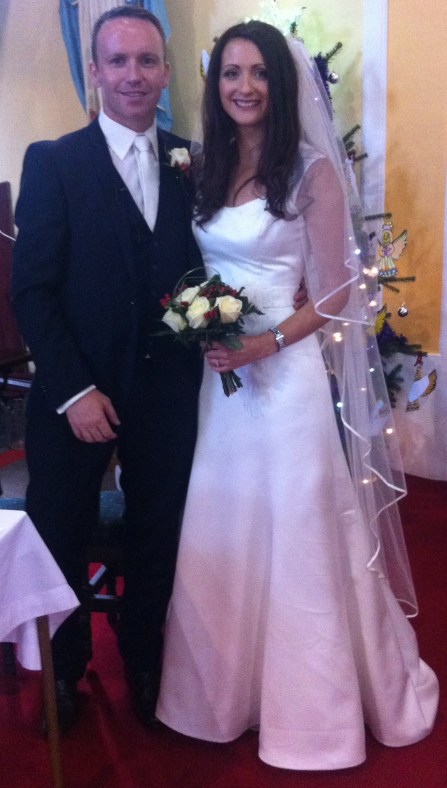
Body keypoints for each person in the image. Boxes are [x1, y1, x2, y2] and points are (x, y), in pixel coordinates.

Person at [156, 21, 439, 770]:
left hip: (284, 379)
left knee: (299, 529)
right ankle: (220, 694)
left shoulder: (309, 171)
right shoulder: (205, 166)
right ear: (216, 86)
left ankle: (313, 713)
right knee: (226, 522)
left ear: (280, 86)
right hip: (222, 382)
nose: (243, 87)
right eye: (230, 73)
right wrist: (204, 326)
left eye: (258, 73)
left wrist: (266, 342)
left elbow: (340, 290)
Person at [12, 6, 204, 732]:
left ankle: (146, 656)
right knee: (58, 526)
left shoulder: (193, 162)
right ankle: (63, 668)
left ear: (165, 72)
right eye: (118, 61)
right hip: (77, 393)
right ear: (94, 71)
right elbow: (32, 290)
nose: (133, 75)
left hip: (167, 390)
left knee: (160, 528)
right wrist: (73, 390)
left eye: (146, 60)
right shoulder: (54, 161)